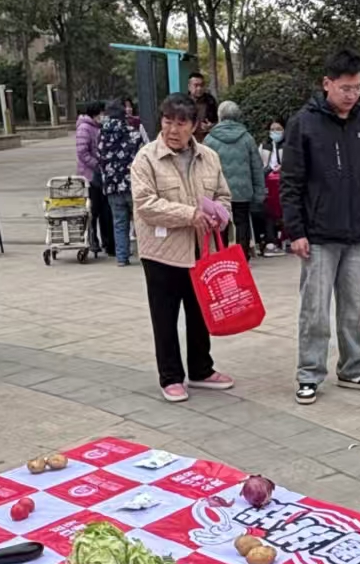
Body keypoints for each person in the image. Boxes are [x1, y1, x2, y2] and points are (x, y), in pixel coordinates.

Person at [282, 49, 360, 404]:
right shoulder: (304, 123)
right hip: (318, 236)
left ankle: (354, 368)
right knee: (315, 311)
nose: (352, 95)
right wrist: (296, 230)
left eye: (358, 88)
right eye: (345, 88)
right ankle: (309, 373)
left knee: (353, 308)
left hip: (358, 233)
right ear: (327, 83)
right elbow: (291, 182)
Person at [130, 93, 235, 401]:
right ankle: (170, 377)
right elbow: (146, 205)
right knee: (165, 317)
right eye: (167, 122)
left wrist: (220, 214)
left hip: (201, 250)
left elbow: (223, 195)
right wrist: (190, 215)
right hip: (162, 252)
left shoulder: (209, 157)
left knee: (200, 312)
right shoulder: (146, 159)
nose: (172, 130)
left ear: (194, 126)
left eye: (180, 123)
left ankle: (201, 369)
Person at [202, 100, 266, 258]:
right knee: (242, 222)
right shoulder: (247, 138)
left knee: (221, 223)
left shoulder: (210, 139)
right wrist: (259, 193)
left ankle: (222, 256)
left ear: (219, 116)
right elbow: (257, 167)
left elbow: (203, 167)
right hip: (243, 191)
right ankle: (242, 256)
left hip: (219, 192)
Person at [96, 99, 144, 264]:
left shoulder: (101, 135)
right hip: (132, 184)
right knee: (139, 222)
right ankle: (145, 255)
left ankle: (122, 257)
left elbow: (100, 159)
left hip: (112, 186)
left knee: (119, 222)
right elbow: (142, 157)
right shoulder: (133, 133)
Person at [76, 99, 115, 256]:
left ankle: (108, 243)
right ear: (96, 113)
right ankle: (93, 241)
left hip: (102, 175)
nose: (104, 116)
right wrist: (97, 165)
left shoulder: (100, 127)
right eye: (103, 112)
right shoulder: (84, 128)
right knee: (92, 211)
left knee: (106, 211)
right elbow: (82, 152)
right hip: (90, 176)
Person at [260, 117, 286, 253]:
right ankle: (270, 239)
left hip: (283, 181)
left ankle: (286, 238)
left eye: (278, 129)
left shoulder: (288, 145)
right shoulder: (264, 146)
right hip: (268, 181)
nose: (275, 132)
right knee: (268, 210)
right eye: (272, 129)